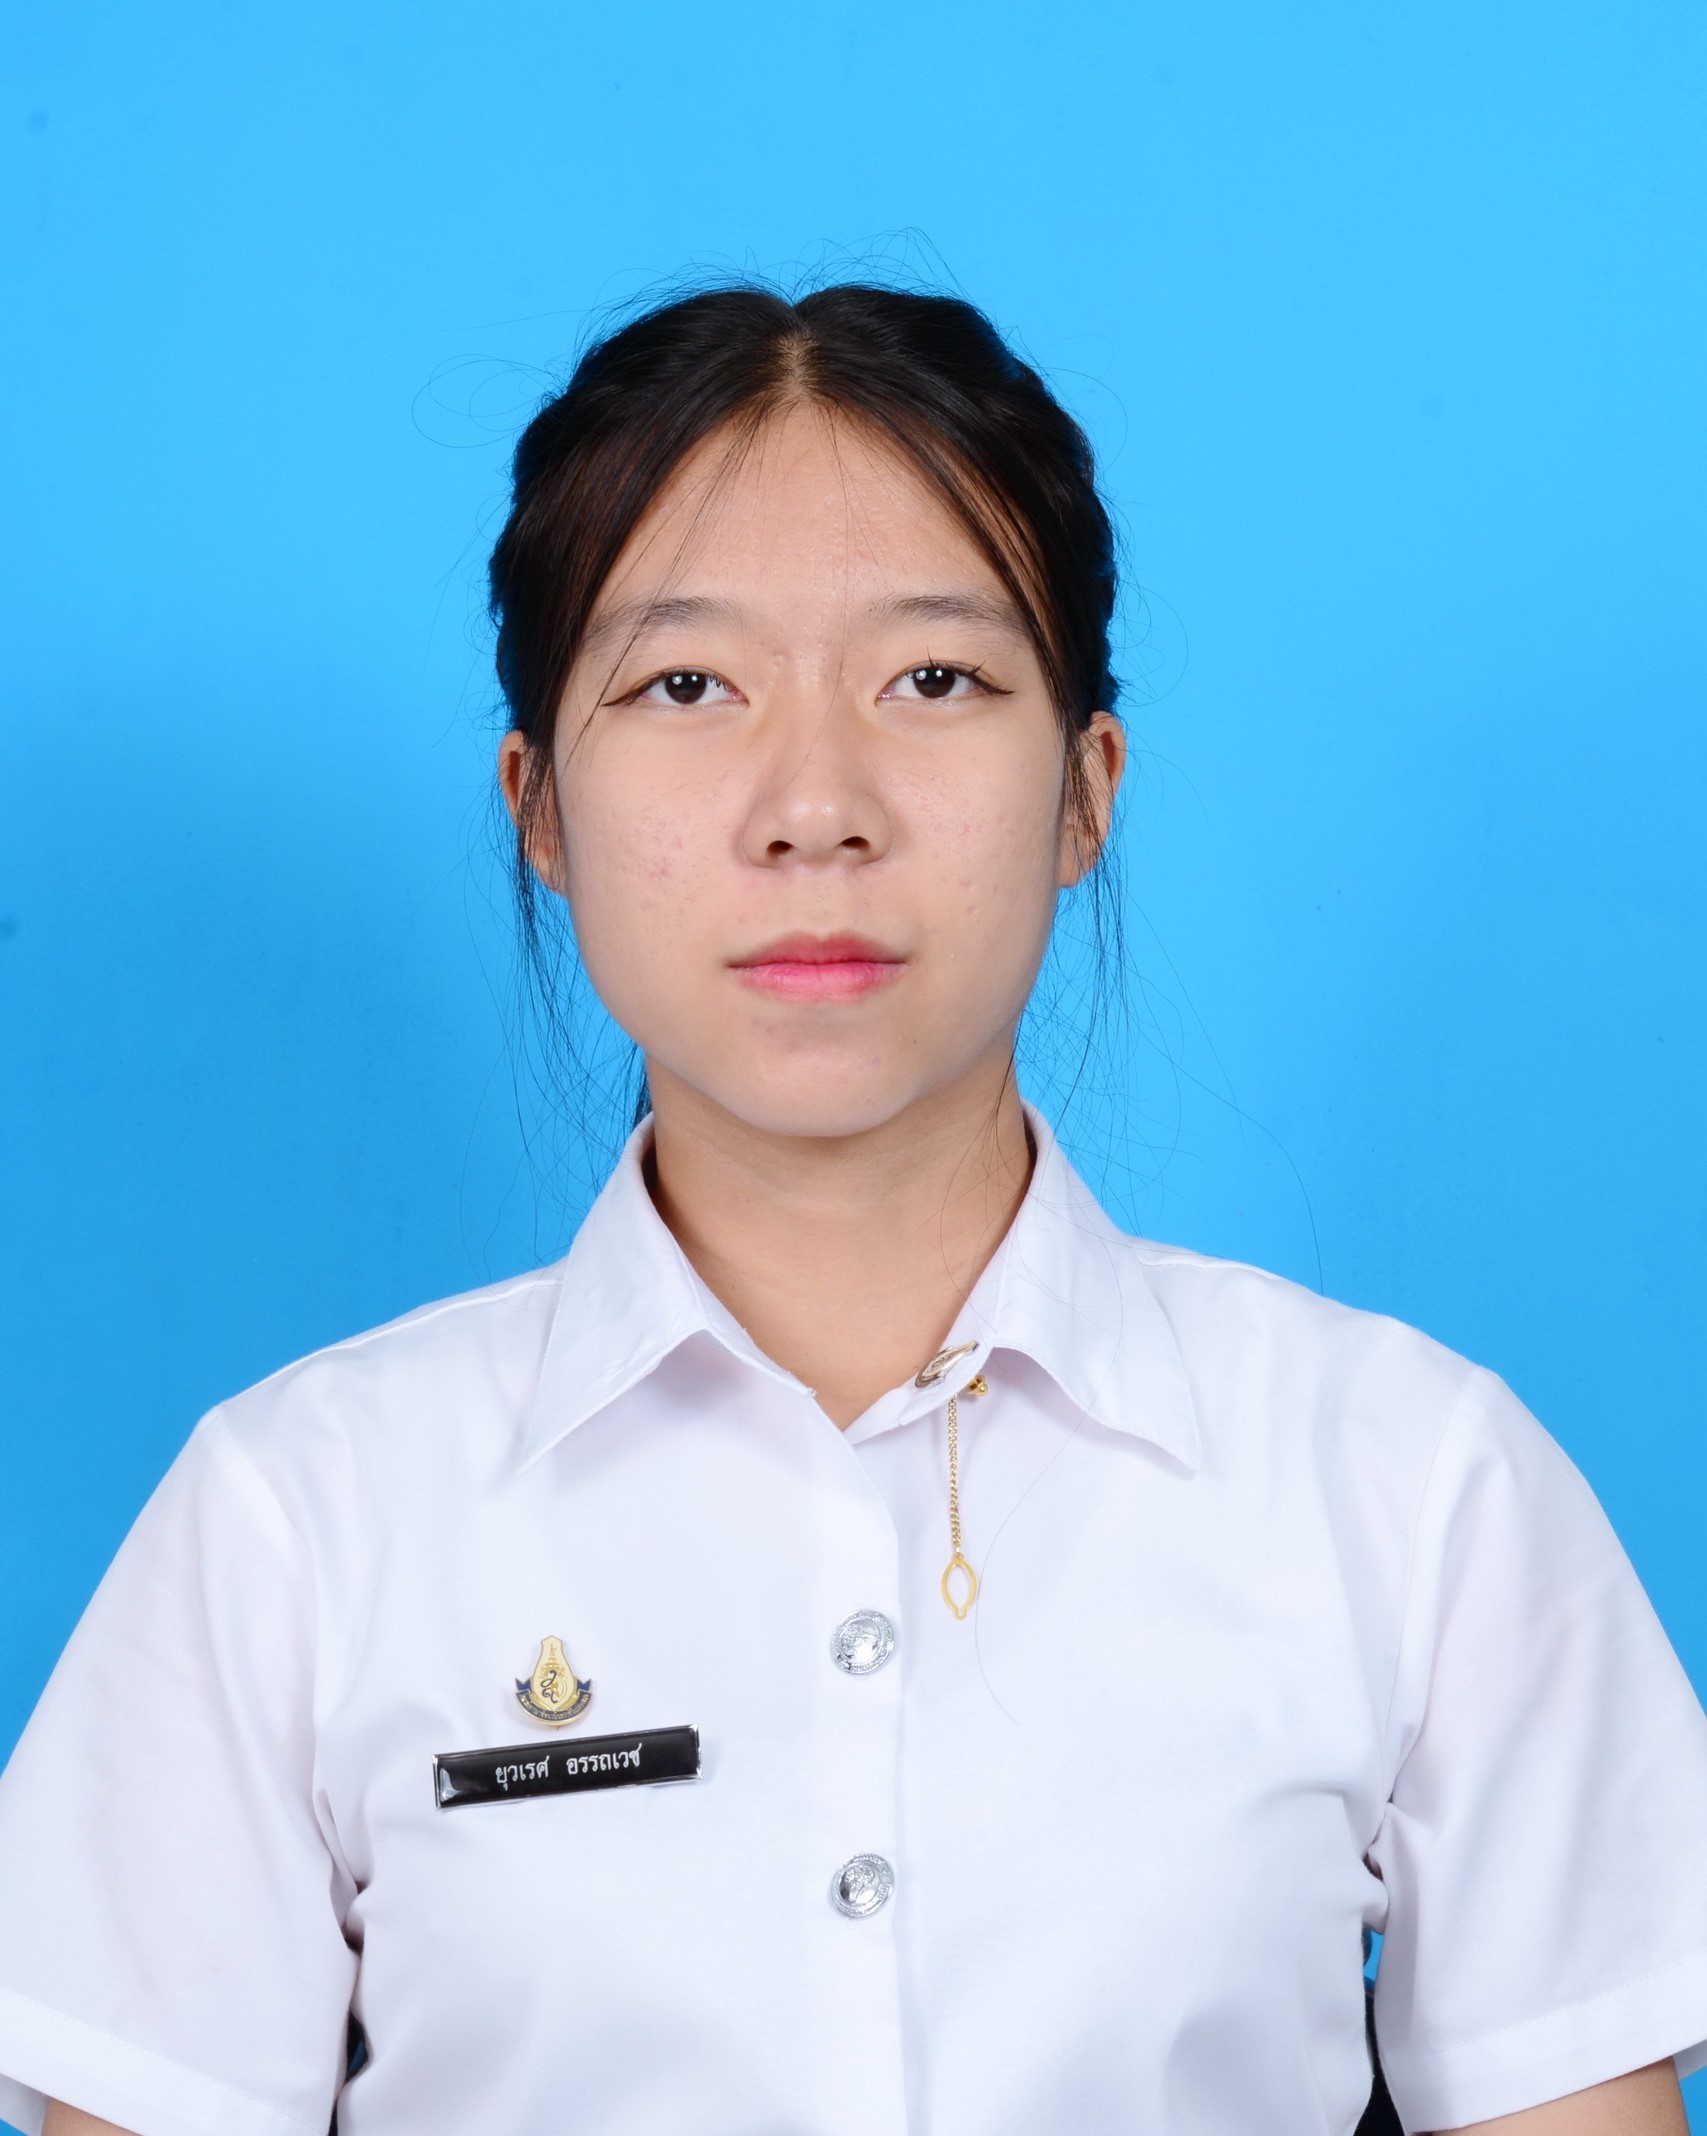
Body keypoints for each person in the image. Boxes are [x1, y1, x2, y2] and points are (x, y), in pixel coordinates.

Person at [1, 282, 1704, 2136]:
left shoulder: (1415, 1485)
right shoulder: (296, 1522)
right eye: (685, 687)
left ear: (1087, 791)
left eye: (935, 681)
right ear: (538, 808)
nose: (814, 806)